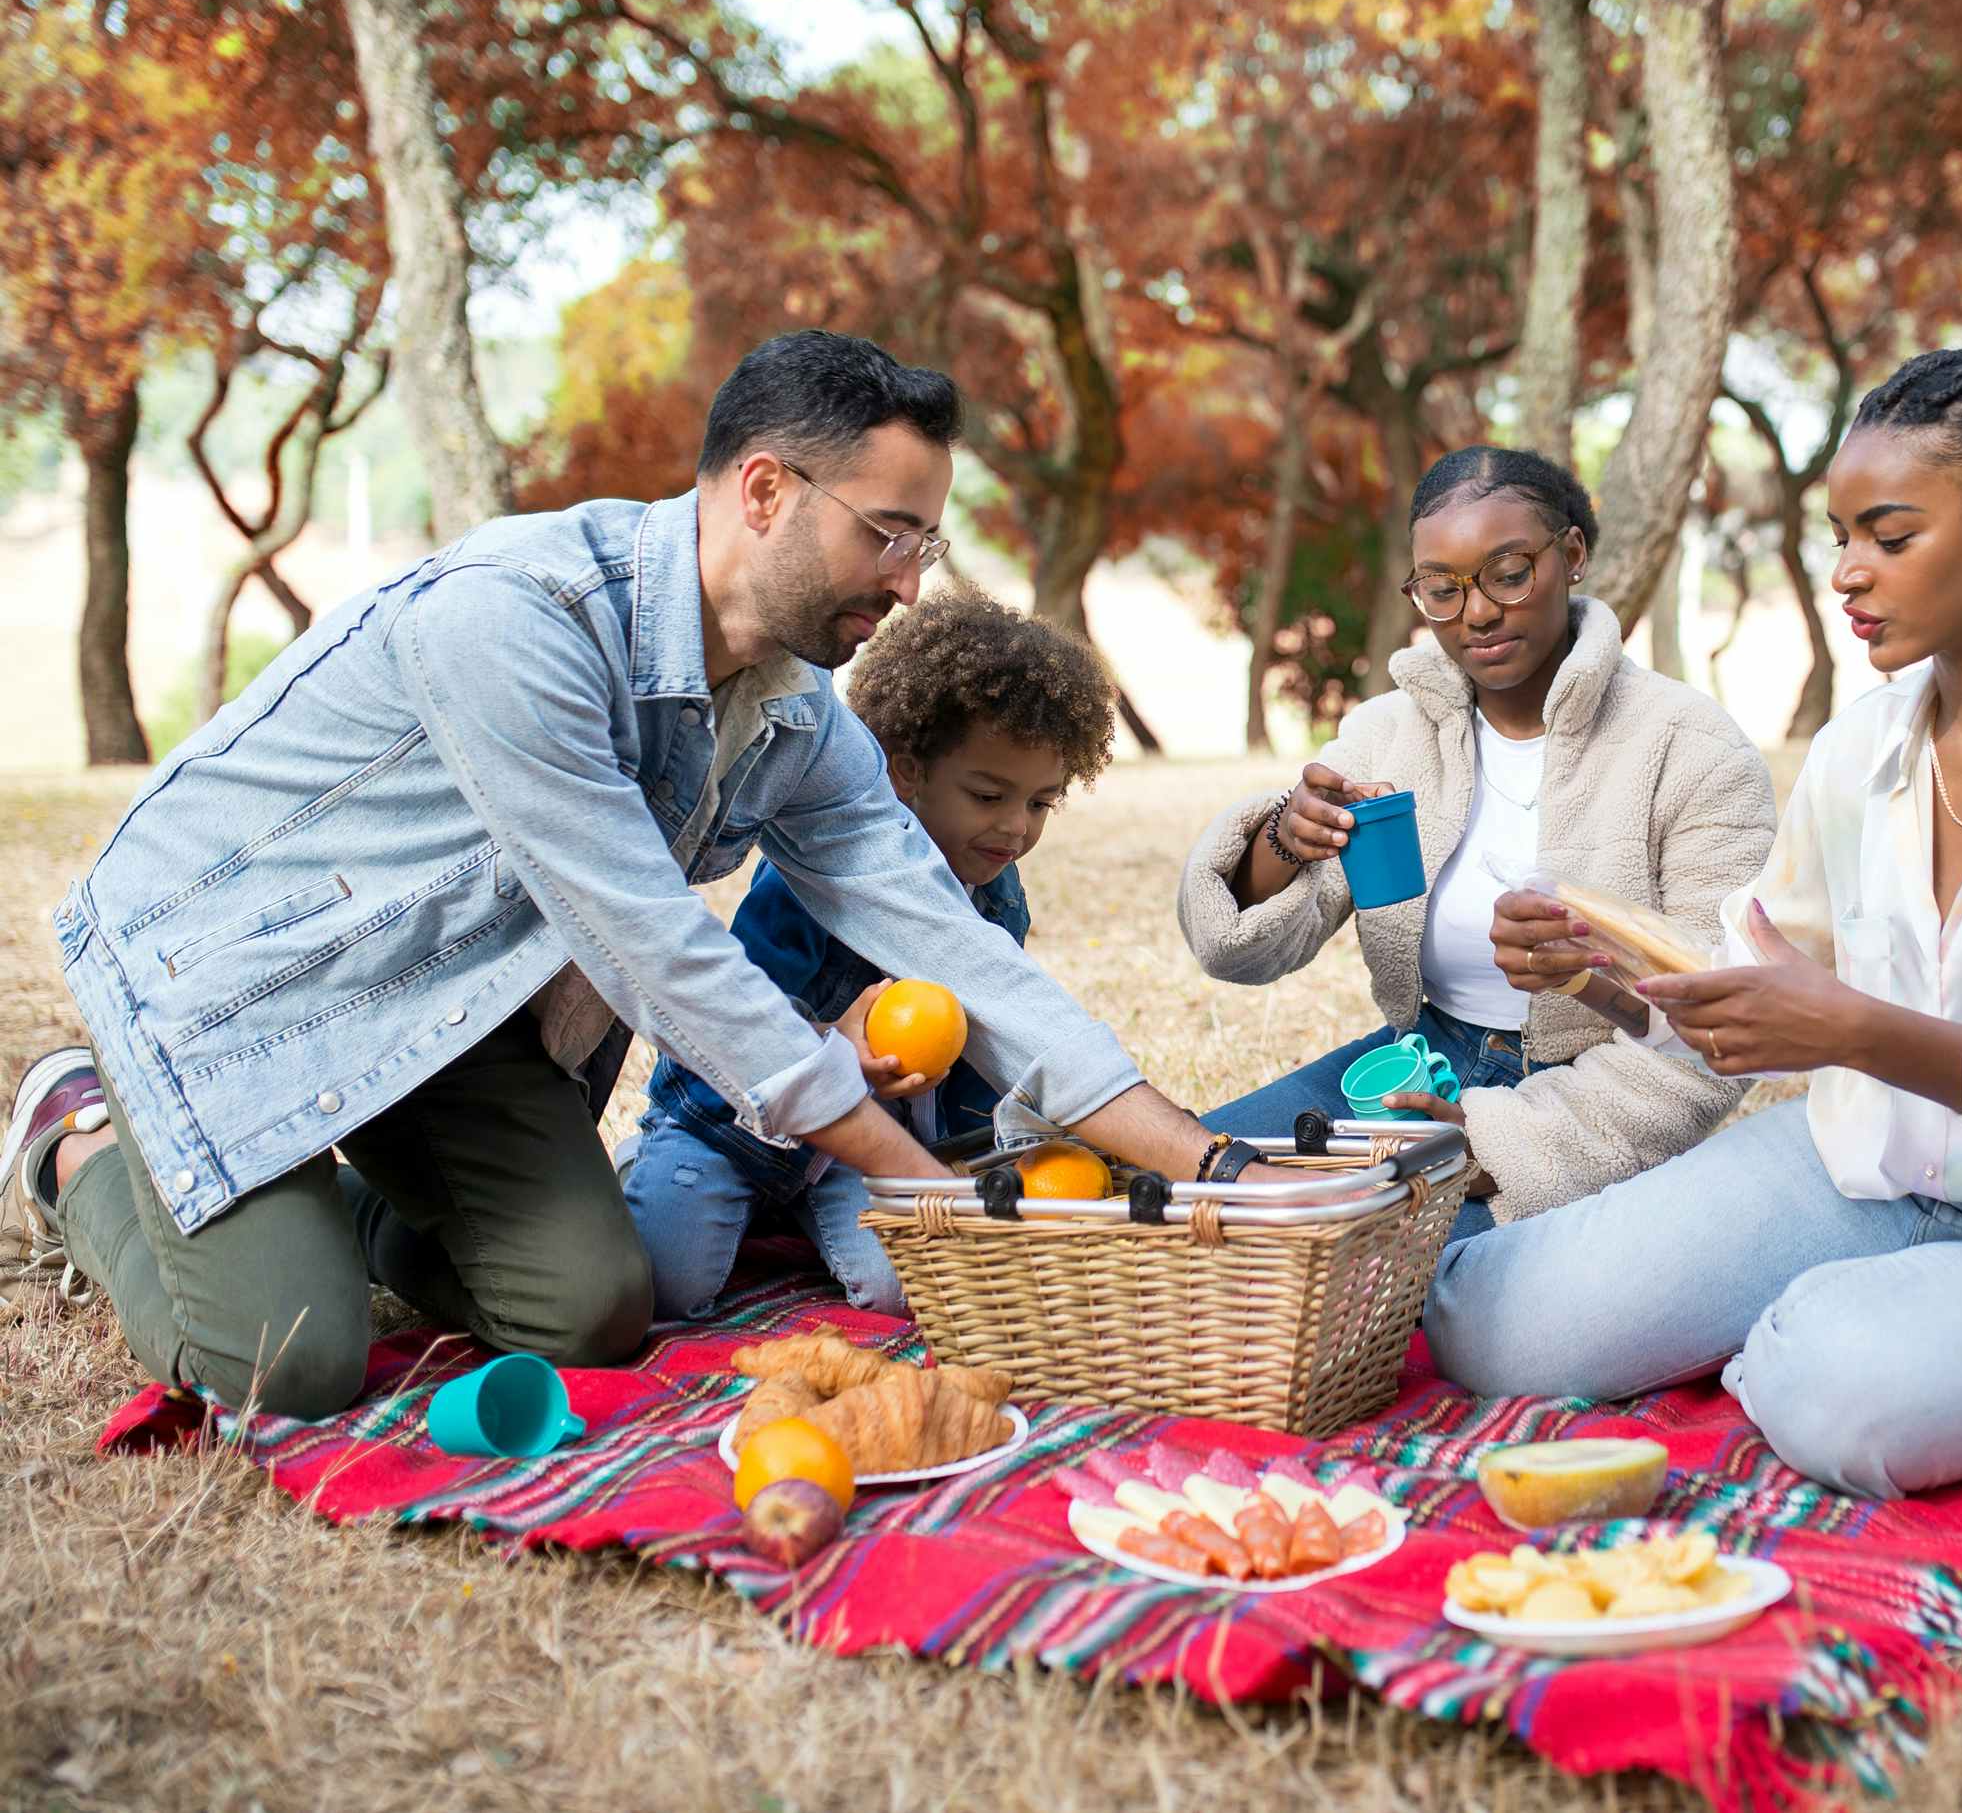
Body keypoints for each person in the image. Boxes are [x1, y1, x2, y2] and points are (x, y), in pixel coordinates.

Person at [1, 330, 1273, 1419]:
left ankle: (320, 1202)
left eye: (925, 546)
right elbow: (659, 951)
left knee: (594, 1306)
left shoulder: (798, 714)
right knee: (289, 1358)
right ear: (765, 490)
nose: (907, 581)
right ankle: (76, 1141)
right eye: (889, 535)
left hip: (452, 1008)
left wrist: (1211, 1165)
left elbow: (952, 945)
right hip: (242, 979)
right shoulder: (517, 618)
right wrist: (927, 1192)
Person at [1424, 351, 1962, 1499]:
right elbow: (1752, 985)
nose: (1847, 575)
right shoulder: (1861, 747)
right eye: (1839, 538)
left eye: (1889, 536)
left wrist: (1856, 1033)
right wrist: (1598, 979)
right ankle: (1789, 1311)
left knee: (1837, 1399)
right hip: (1847, 1171)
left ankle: (1828, 1332)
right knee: (1491, 1331)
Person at [1177, 446, 1777, 1240]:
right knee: (1184, 1195)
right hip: (1409, 1070)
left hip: (1582, 1097)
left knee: (1369, 1279)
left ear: (1571, 556)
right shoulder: (1390, 734)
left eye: (1508, 572)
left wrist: (1495, 1146)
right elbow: (1239, 953)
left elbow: (1715, 1037)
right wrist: (1285, 840)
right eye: (1443, 589)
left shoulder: (1692, 748)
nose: (1478, 612)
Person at [622, 582, 1116, 1319]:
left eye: (1040, 802)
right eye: (988, 795)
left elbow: (985, 1039)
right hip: (728, 1130)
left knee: (902, 1290)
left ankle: (798, 1216)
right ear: (904, 771)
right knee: (667, 1288)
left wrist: (1002, 1156)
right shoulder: (811, 884)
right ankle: (646, 1166)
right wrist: (826, 1041)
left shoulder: (998, 898)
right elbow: (731, 1020)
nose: (1015, 827)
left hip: (859, 1148)